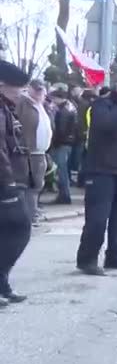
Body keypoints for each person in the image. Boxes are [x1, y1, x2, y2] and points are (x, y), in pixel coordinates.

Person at [76, 72, 117, 276]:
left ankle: (114, 256)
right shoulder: (101, 105)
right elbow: (106, 125)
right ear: (116, 87)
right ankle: (87, 259)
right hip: (100, 171)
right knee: (97, 219)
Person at [0, 61, 31, 306]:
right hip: (5, 182)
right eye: (17, 88)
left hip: (11, 179)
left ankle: (2, 283)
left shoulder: (6, 108)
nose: (21, 93)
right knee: (20, 229)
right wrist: (8, 182)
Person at [5, 78, 49, 220]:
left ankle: (32, 212)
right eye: (36, 90)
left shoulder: (40, 105)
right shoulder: (23, 102)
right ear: (29, 89)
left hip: (40, 152)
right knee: (27, 184)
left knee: (36, 184)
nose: (39, 93)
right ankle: (28, 215)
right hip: (27, 152)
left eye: (41, 90)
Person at [48, 88, 77, 204]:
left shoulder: (63, 111)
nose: (53, 101)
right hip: (68, 143)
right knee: (63, 170)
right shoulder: (70, 107)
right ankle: (64, 194)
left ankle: (64, 196)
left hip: (62, 144)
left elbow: (61, 130)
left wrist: (54, 143)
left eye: (54, 98)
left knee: (61, 171)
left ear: (59, 98)